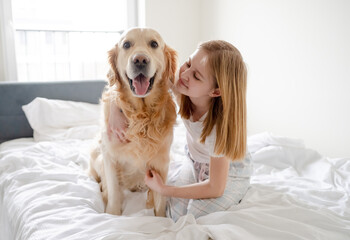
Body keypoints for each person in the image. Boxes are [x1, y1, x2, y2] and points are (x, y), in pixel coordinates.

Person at [109, 40, 251, 221]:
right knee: (175, 214)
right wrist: (115, 110)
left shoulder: (217, 130)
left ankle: (241, 186)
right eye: (189, 63)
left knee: (196, 216)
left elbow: (216, 187)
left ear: (215, 91)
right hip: (195, 161)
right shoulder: (183, 87)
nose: (185, 74)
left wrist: (164, 189)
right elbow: (120, 80)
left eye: (197, 76)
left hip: (228, 172)